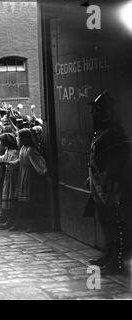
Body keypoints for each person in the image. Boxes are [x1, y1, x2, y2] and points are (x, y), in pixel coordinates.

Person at [84, 92, 130, 274]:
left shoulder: (113, 134)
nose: (92, 114)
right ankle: (109, 253)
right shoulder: (101, 133)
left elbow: (116, 164)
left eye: (96, 110)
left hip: (111, 186)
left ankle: (117, 260)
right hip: (99, 185)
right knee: (105, 220)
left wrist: (110, 183)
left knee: (115, 222)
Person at [11, 128, 48, 233]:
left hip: (29, 177)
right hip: (22, 175)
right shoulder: (23, 148)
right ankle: (23, 223)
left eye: (19, 137)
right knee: (21, 201)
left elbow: (40, 165)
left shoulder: (31, 150)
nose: (18, 139)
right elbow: (20, 160)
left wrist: (43, 172)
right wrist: (13, 163)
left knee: (30, 202)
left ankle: (33, 224)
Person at [0, 133, 20, 230]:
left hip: (13, 176)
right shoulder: (8, 150)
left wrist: (5, 162)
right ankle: (10, 220)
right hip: (8, 176)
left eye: (2, 141)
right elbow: (3, 158)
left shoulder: (15, 152)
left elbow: (16, 164)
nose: (1, 143)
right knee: (8, 198)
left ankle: (15, 222)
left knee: (13, 199)